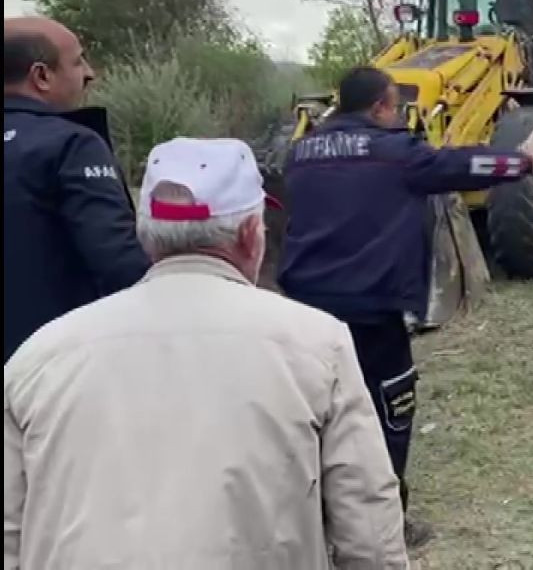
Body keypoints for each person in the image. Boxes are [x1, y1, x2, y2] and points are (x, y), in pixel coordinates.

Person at [3, 137, 409, 569]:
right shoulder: (317, 344)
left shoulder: (37, 358)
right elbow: (368, 532)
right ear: (253, 235)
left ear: (146, 238)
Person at [277, 66, 533, 545]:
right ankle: (385, 523)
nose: (396, 114)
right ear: (379, 106)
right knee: (386, 416)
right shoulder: (397, 153)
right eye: (394, 105)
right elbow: (466, 165)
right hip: (371, 308)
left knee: (313, 413)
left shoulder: (300, 152)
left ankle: (312, 519)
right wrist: (524, 163)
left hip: (304, 310)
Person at [3, 16, 150, 361]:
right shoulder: (70, 145)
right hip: (44, 368)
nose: (89, 72)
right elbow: (118, 263)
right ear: (41, 76)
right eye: (78, 59)